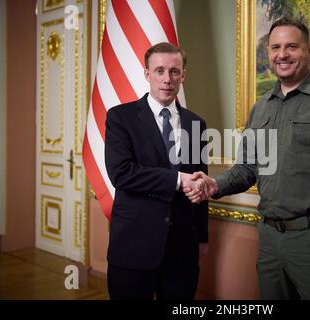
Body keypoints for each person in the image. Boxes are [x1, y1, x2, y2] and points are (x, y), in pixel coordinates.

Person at [186, 17, 310, 300]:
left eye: (292, 46)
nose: (282, 54)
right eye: (275, 47)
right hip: (269, 238)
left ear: (309, 49)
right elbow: (248, 168)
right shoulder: (262, 107)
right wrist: (215, 185)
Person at [105, 42, 208, 300]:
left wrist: (201, 236)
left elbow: (200, 181)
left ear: (183, 75)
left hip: (182, 247)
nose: (167, 79)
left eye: (174, 72)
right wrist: (177, 179)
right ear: (147, 74)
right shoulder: (120, 117)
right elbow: (122, 173)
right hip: (133, 244)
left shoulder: (196, 123)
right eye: (159, 71)